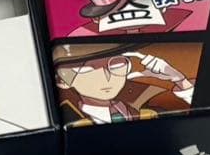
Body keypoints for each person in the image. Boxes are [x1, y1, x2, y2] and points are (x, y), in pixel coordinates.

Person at [53, 43, 194, 125]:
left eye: (116, 63)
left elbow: (195, 120)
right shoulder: (70, 119)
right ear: (62, 81)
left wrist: (179, 80)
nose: (106, 76)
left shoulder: (150, 104)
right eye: (87, 68)